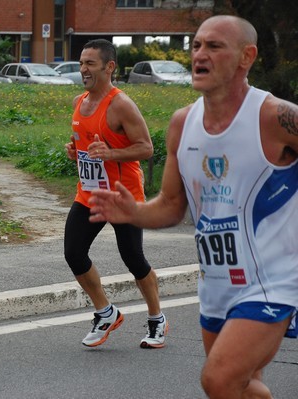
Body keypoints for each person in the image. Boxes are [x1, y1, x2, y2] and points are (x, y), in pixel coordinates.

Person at [88, 15, 297, 398]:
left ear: (245, 57)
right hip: (216, 283)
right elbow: (170, 205)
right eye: (196, 45)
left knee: (217, 380)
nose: (200, 54)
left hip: (272, 281)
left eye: (214, 46)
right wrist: (134, 212)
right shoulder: (183, 123)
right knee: (244, 386)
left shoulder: (274, 117)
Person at [64, 39, 168, 349]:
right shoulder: (78, 101)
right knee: (74, 253)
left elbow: (146, 148)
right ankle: (105, 312)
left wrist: (110, 154)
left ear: (109, 67)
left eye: (90, 63)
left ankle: (156, 319)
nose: (84, 69)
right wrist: (75, 152)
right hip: (90, 194)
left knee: (133, 258)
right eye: (82, 62)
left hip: (123, 196)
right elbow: (85, 145)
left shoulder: (121, 104)